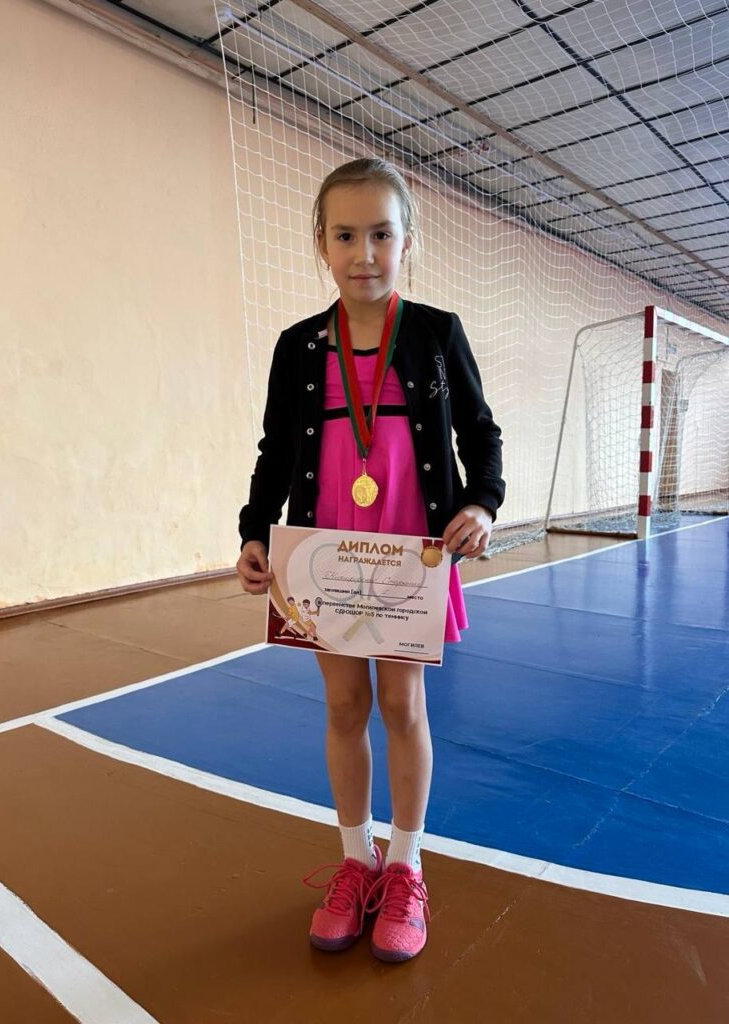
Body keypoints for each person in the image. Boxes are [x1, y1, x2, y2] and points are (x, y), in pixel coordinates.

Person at [236, 157, 504, 962]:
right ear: (321, 244)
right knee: (345, 706)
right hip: (325, 554)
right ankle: (357, 861)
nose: (364, 254)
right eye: (346, 236)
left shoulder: (435, 334)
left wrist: (480, 503)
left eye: (382, 235)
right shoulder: (297, 348)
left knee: (403, 705)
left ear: (407, 241)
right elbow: (276, 452)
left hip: (410, 553)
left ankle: (407, 866)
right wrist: (254, 531)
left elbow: (480, 433)